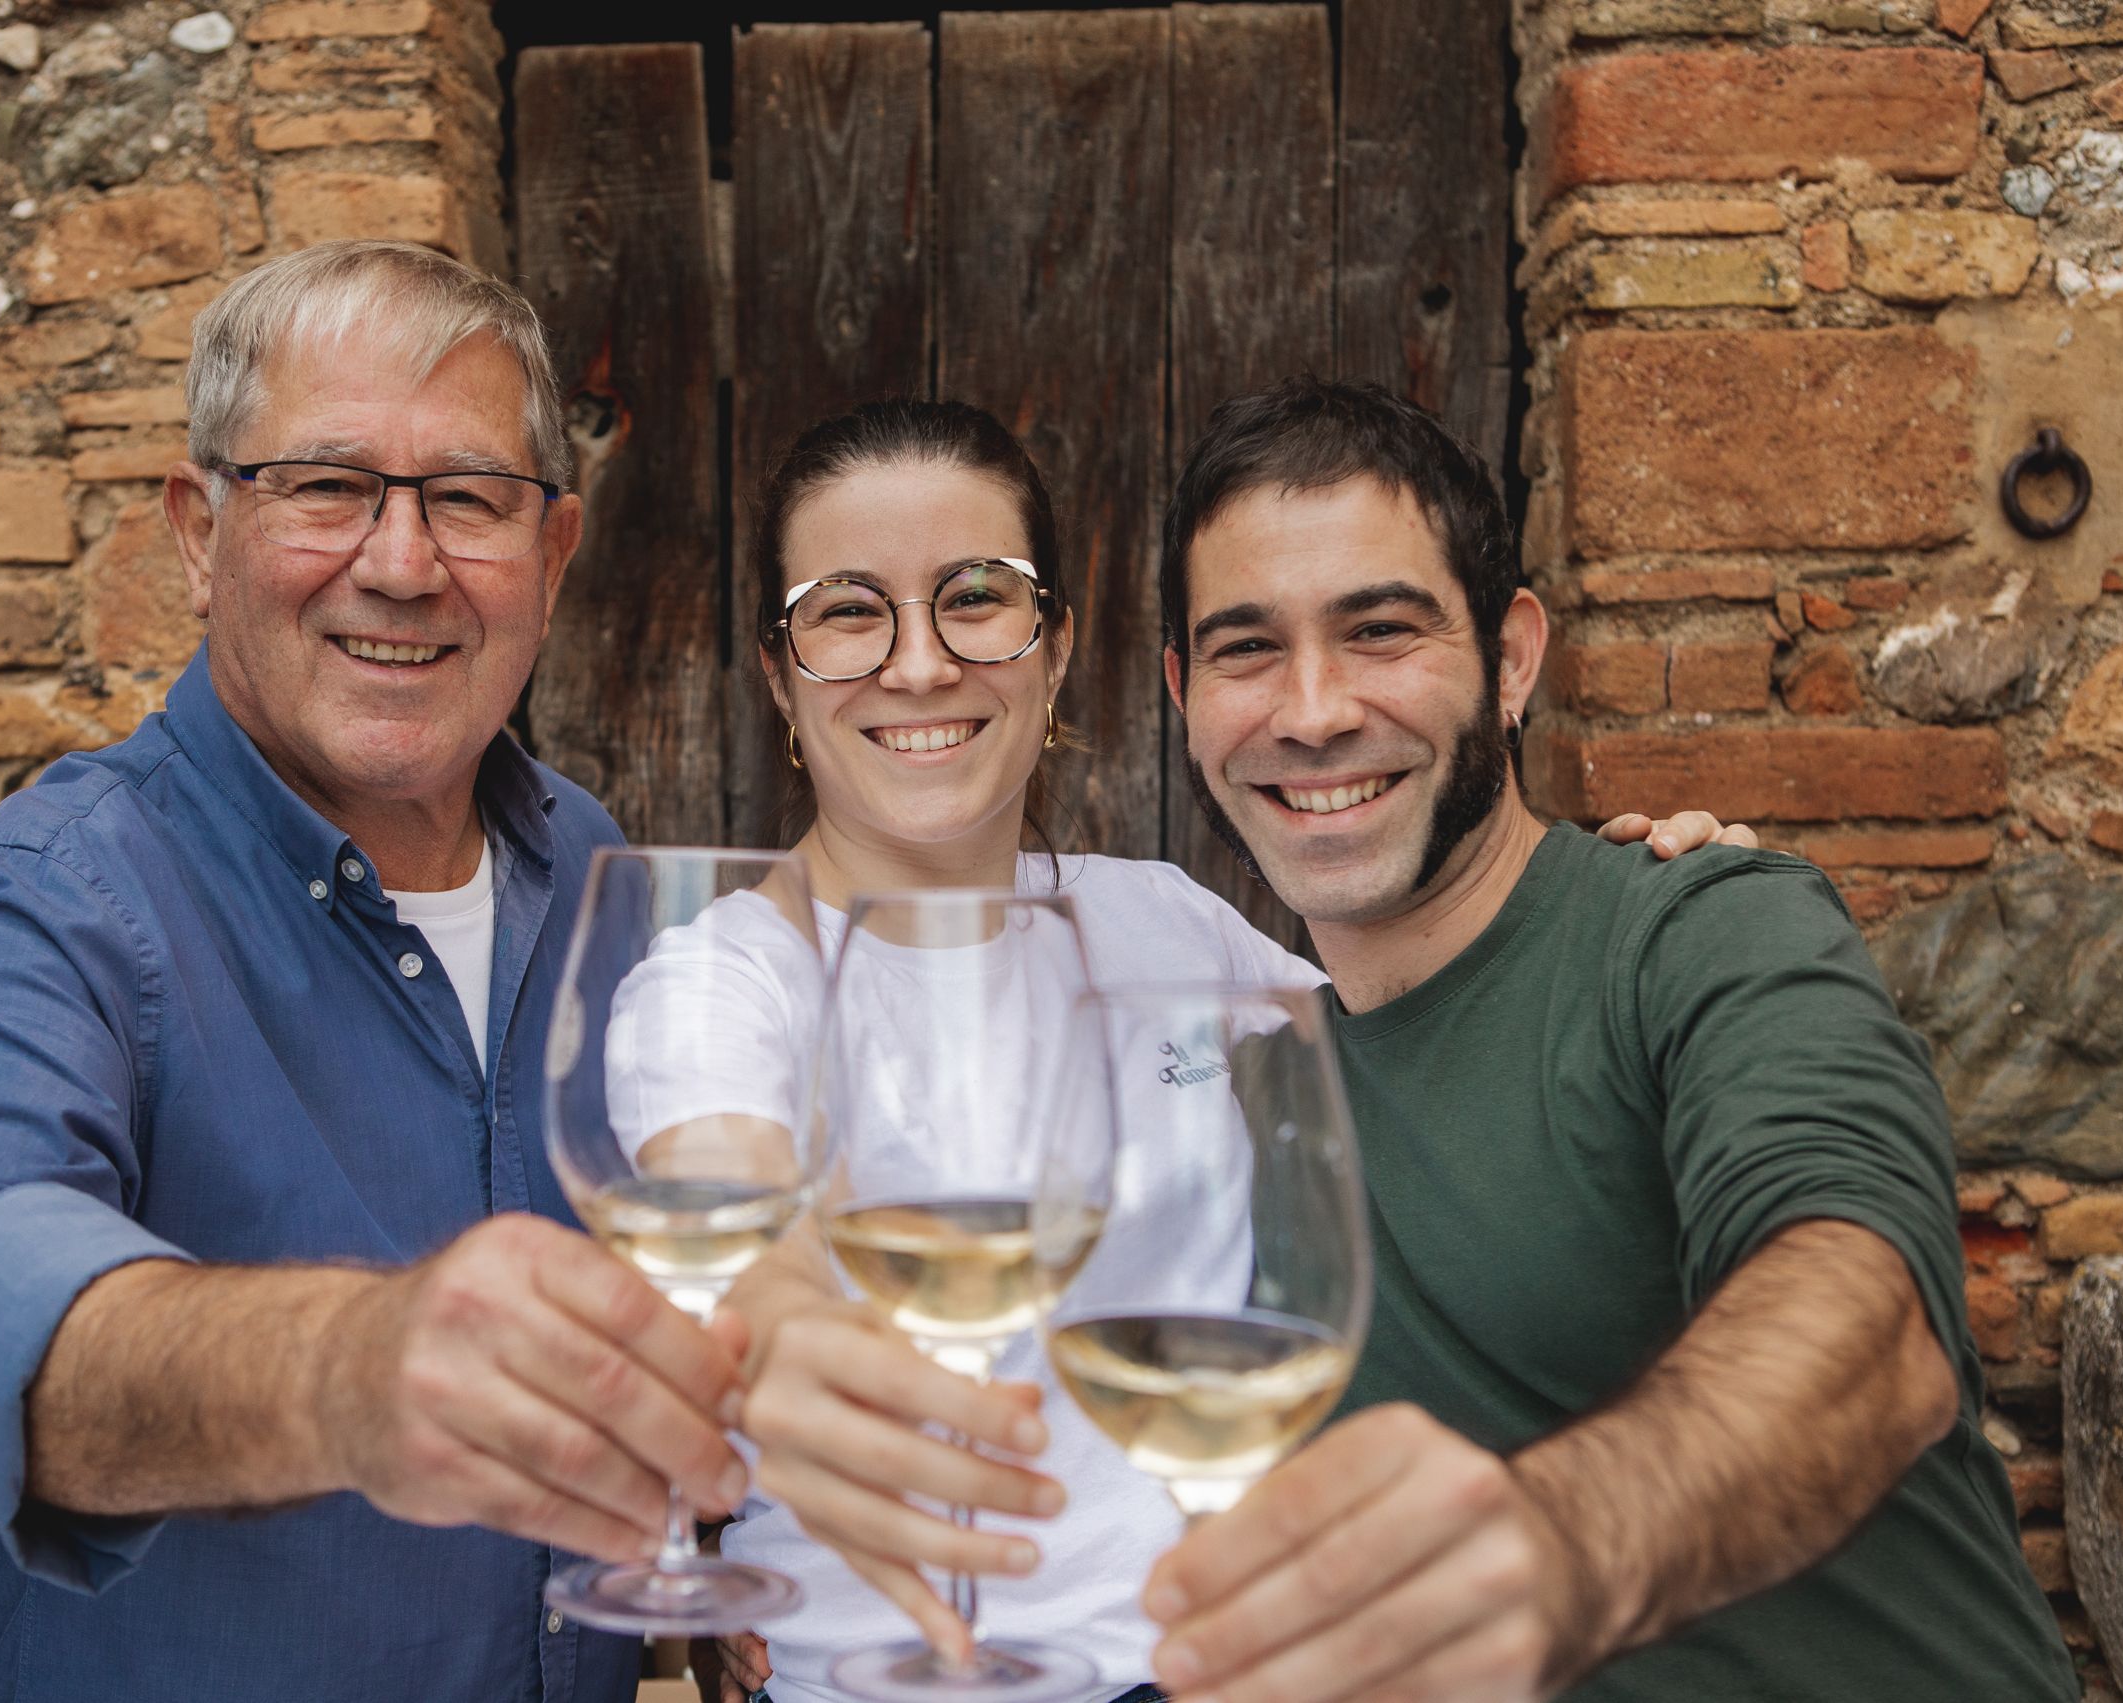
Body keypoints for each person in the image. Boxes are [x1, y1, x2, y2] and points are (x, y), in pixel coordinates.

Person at [661, 398, 1749, 1703]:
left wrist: (1608, 918)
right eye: (848, 611)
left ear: (1054, 650)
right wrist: (777, 1338)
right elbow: (724, 1215)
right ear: (782, 673)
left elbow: (1417, 1053)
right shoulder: (720, 980)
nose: (918, 663)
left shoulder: (1165, 920)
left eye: (975, 598)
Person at [0, 241, 756, 1703]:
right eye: (326, 486)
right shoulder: (56, 895)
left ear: (552, 554)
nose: (404, 563)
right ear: (198, 531)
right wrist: (345, 1371)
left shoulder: (601, 872)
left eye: (469, 499)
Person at [1131, 377, 2076, 1702]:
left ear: (1512, 660)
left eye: (1380, 631)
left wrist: (1558, 1543)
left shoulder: (1702, 933)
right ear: (1184, 694)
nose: (1312, 709)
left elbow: (1866, 1328)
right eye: (1245, 649)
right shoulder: (1247, 1103)